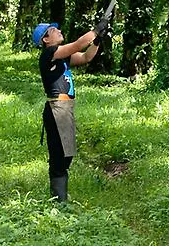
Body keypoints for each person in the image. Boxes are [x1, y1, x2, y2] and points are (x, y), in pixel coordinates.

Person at [32, 22, 98, 203]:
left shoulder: (62, 57)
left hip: (66, 108)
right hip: (56, 109)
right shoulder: (49, 54)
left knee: (67, 153)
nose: (60, 31)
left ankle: (61, 195)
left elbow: (85, 57)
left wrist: (97, 41)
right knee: (59, 154)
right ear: (45, 39)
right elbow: (78, 45)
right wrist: (95, 30)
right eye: (54, 31)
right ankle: (59, 199)